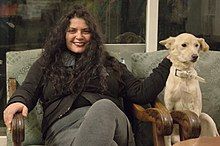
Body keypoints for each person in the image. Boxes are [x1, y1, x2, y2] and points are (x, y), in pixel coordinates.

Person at [3, 5, 171, 146]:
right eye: (72, 31)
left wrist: (168, 62)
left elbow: (141, 93)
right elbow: (28, 88)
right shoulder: (48, 63)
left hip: (113, 123)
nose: (79, 36)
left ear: (93, 35)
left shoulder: (110, 64)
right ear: (64, 34)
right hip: (63, 130)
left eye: (85, 31)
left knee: (103, 107)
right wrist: (18, 101)